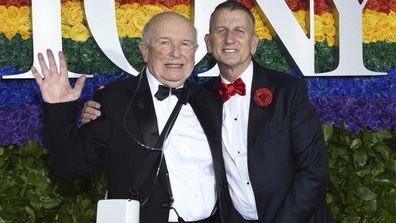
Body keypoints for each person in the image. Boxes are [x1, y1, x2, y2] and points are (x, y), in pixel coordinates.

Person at [82, 1, 332, 222]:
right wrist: (94, 110)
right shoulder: (202, 97)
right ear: (209, 44)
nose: (229, 39)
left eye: (239, 31)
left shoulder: (288, 91)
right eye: (221, 31)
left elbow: (314, 171)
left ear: (254, 43)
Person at [32, 12, 232, 223]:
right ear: (144, 51)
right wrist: (59, 109)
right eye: (164, 42)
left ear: (195, 51)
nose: (176, 53)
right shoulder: (113, 100)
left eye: (185, 44)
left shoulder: (210, 99)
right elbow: (71, 166)